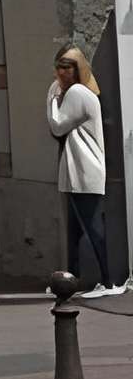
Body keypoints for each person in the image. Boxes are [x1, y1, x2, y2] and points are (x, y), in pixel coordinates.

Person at [47, 46, 111, 289]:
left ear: (77, 70)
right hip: (75, 173)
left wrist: (52, 98)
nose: (60, 72)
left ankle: (109, 280)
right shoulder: (74, 93)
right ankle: (70, 280)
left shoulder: (77, 94)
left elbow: (57, 126)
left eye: (66, 67)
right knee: (75, 231)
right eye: (59, 66)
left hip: (85, 172)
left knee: (93, 228)